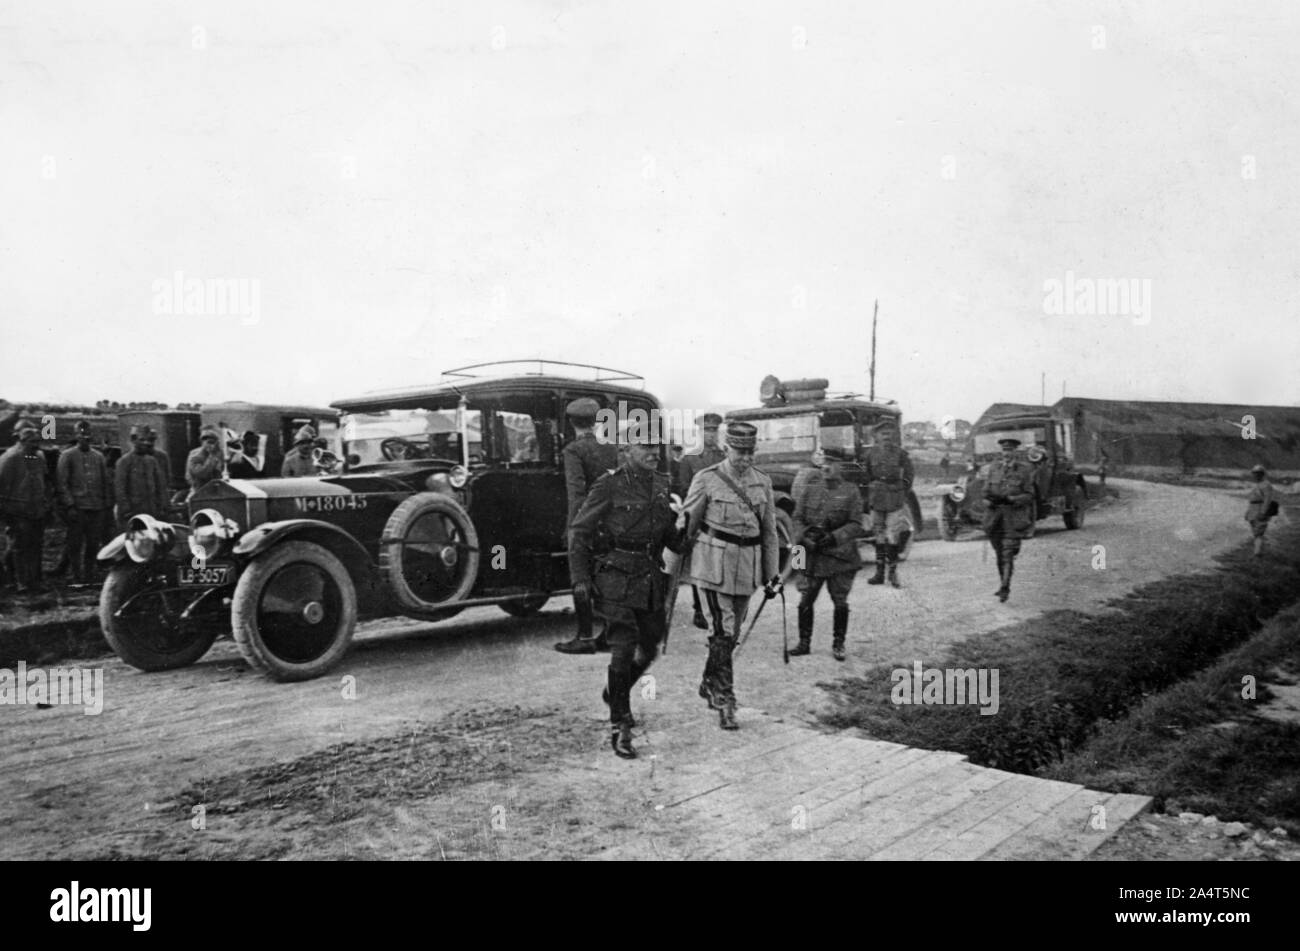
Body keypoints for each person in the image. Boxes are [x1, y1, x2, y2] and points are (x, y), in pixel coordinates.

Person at [568, 429, 685, 758]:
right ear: (626, 449)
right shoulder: (608, 484)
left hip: (649, 577)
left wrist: (682, 536)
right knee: (624, 646)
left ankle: (614, 692)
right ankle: (620, 723)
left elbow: (665, 533)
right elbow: (579, 531)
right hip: (615, 576)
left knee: (650, 647)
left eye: (656, 447)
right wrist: (579, 578)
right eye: (646, 447)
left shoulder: (661, 483)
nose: (654, 453)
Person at [678, 421, 780, 730]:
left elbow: (770, 533)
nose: (745, 459)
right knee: (722, 632)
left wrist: (771, 575)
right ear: (726, 449)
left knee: (731, 636)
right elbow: (687, 523)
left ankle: (710, 682)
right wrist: (673, 561)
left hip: (747, 567)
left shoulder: (763, 482)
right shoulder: (706, 479)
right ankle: (725, 699)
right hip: (712, 565)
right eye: (739, 452)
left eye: (750, 453)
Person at [555, 398, 621, 654]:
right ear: (596, 421)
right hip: (610, 523)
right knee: (605, 577)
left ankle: (583, 637)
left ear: (572, 422)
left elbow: (576, 494)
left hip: (585, 524)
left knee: (580, 576)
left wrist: (573, 528)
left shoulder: (573, 450)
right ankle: (608, 636)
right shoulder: (611, 447)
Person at [789, 455, 865, 661]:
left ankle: (838, 644)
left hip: (840, 556)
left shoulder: (851, 491)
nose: (826, 468)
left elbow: (857, 524)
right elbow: (796, 518)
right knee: (805, 600)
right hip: (811, 555)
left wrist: (834, 537)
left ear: (841, 467)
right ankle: (804, 643)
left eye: (832, 463)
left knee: (840, 601)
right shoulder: (810, 488)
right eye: (823, 464)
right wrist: (804, 536)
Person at [673, 412, 727, 630]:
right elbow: (684, 489)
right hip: (699, 518)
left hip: (721, 518)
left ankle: (719, 607)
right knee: (699, 565)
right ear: (699, 432)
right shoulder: (689, 460)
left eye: (714, 430)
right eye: (707, 430)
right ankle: (699, 609)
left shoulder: (726, 457)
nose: (711, 435)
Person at [56, 421, 114, 584]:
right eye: (81, 434)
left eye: (88, 434)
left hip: (96, 507)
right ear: (76, 435)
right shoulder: (67, 456)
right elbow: (62, 483)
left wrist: (106, 505)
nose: (85, 437)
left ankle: (89, 573)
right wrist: (69, 505)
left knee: (93, 543)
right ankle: (76, 575)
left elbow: (105, 482)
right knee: (75, 543)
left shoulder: (98, 457)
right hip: (77, 507)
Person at [0, 423, 53, 593]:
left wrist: (46, 502)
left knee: (36, 546)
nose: (35, 445)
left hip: (36, 509)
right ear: (21, 441)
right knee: (20, 547)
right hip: (17, 511)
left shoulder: (39, 457)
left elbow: (44, 481)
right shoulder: (9, 459)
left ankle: (36, 580)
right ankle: (21, 582)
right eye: (31, 441)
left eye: (37, 441)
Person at [863, 420, 914, 587]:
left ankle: (892, 573)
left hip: (894, 498)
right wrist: (873, 489)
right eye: (883, 434)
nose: (886, 437)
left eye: (889, 434)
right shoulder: (870, 455)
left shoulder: (900, 454)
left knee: (892, 534)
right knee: (878, 534)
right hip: (877, 498)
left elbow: (909, 475)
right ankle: (879, 573)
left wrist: (902, 493)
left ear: (893, 436)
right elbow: (867, 475)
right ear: (876, 436)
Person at [983, 437, 1035, 602]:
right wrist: (989, 501)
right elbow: (984, 492)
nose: (1007, 454)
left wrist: (1013, 499)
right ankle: (1003, 583)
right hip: (995, 519)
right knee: (999, 554)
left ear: (1015, 452)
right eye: (1005, 450)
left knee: (1007, 554)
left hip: (1013, 518)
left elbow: (1030, 495)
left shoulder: (1024, 470)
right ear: (1001, 452)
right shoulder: (993, 468)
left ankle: (1005, 586)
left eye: (1010, 450)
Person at [114, 426, 172, 527]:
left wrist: (163, 506)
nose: (145, 443)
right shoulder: (124, 462)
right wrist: (126, 510)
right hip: (133, 513)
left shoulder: (152, 461)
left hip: (152, 511)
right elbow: (120, 490)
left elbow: (161, 487)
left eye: (147, 439)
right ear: (133, 440)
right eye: (141, 439)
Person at [1245, 464, 1277, 558]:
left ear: (1262, 474)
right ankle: (1257, 551)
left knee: (1259, 532)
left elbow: (1267, 500)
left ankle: (1257, 553)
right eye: (1254, 473)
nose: (1255, 475)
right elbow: (1252, 499)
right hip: (1253, 509)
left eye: (1258, 473)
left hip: (1260, 509)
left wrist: (1263, 512)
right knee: (1255, 532)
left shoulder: (1266, 485)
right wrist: (1248, 512)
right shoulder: (1258, 485)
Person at [186, 426, 226, 498]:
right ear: (202, 442)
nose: (210, 445)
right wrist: (212, 456)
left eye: (213, 442)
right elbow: (201, 474)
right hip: (199, 492)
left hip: (218, 492)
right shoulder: (195, 455)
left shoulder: (220, 453)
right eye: (208, 442)